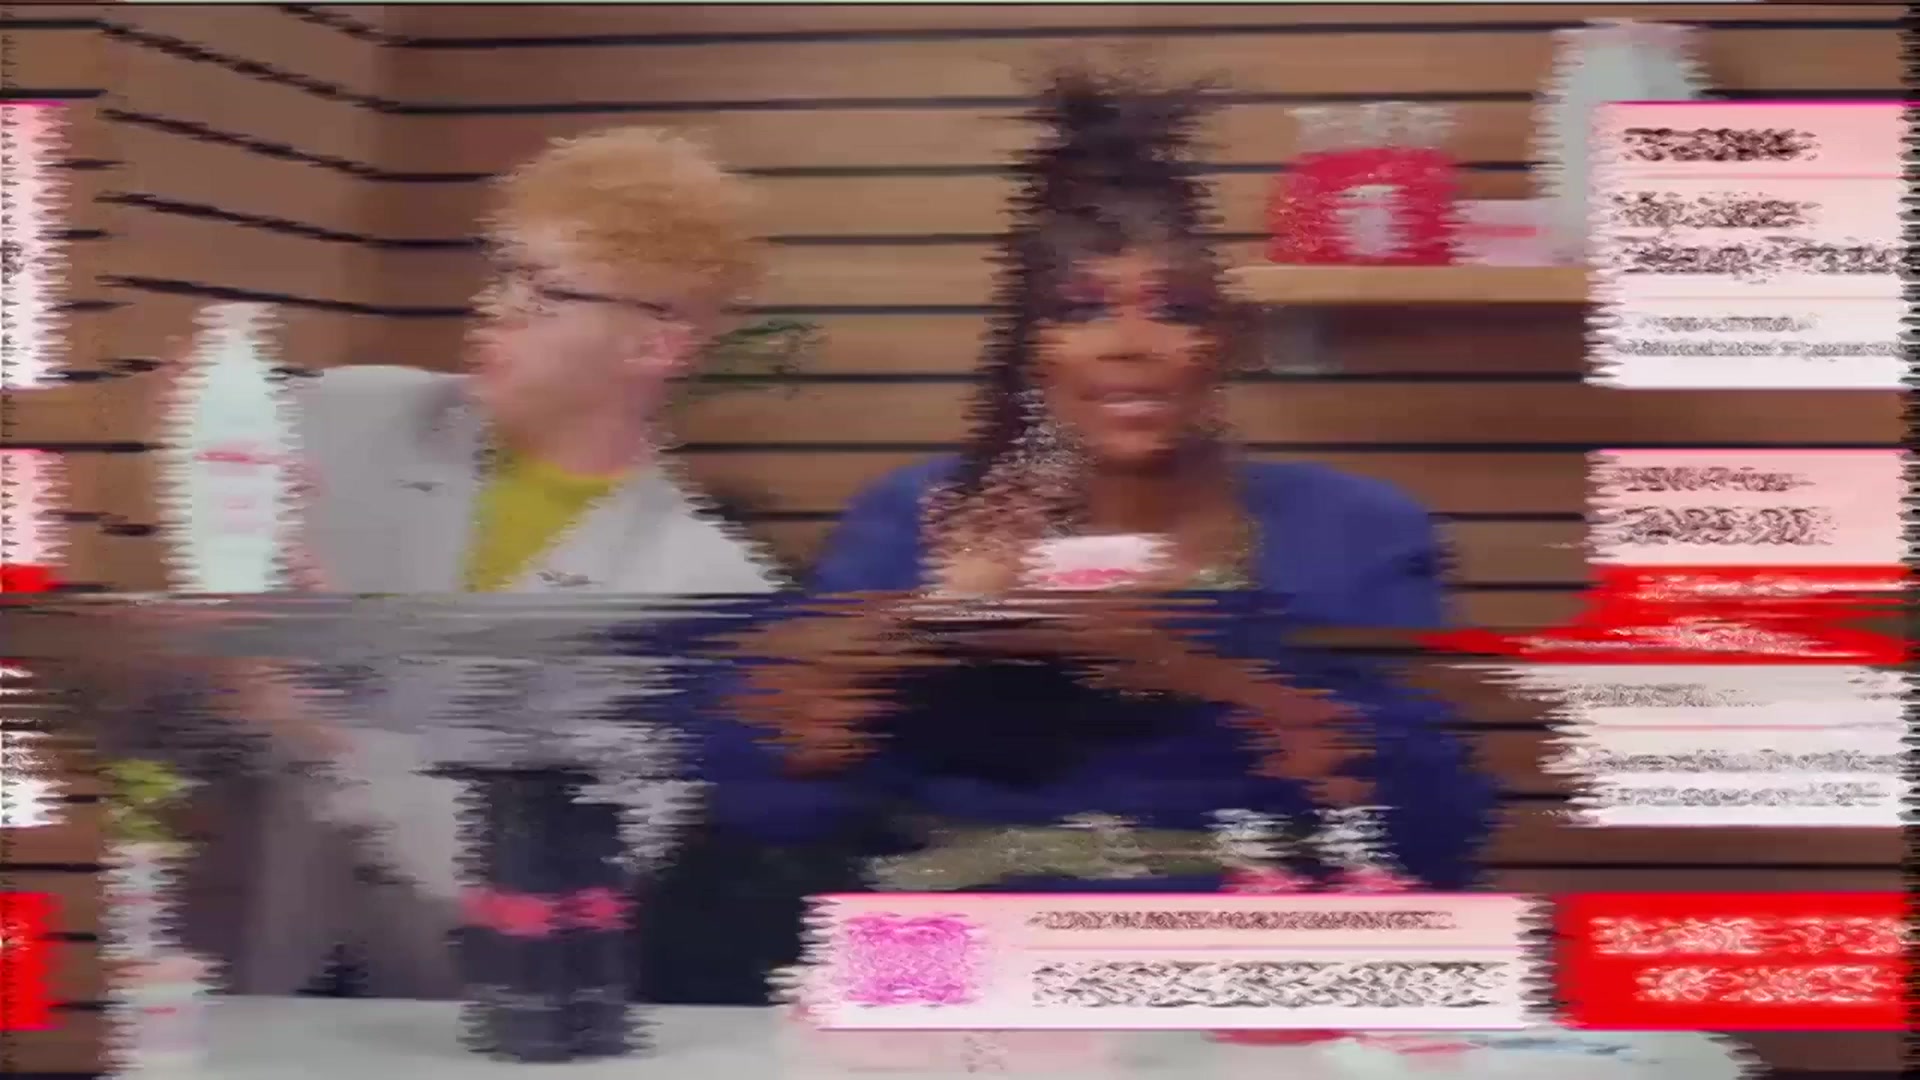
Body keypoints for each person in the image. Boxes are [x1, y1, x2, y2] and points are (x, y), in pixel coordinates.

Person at [679, 65, 1498, 996]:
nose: (1128, 343)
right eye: (1079, 310)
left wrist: (1197, 665)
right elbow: (765, 803)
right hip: (953, 961)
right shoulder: (913, 516)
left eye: (1176, 311)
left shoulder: (1358, 529)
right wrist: (932, 623)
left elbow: (1435, 836)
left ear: (1226, 340)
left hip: (1256, 966)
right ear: (1029, 346)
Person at [165, 127, 783, 1002]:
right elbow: (183, 681)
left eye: (544, 292)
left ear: (656, 344)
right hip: (242, 990)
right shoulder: (342, 417)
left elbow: (546, 883)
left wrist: (317, 717)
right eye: (499, 273)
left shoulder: (706, 588)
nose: (492, 307)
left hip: (464, 1018)